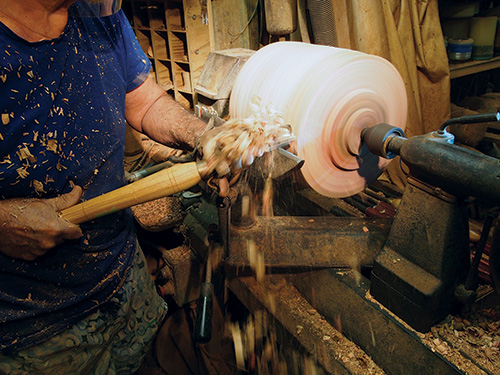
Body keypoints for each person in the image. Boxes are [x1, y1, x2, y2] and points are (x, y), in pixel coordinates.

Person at [0, 0, 213, 373]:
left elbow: (144, 102)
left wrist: (203, 136)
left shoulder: (97, 12)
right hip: (32, 329)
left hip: (124, 278)